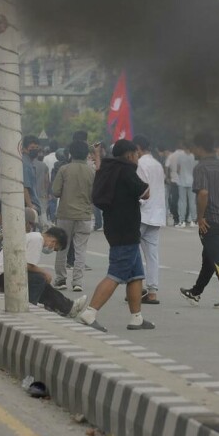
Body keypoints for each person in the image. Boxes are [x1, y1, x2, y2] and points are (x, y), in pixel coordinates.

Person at [76, 139, 155, 332]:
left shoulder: (109, 168)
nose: (137, 157)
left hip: (117, 227)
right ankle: (90, 313)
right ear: (129, 154)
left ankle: (136, 318)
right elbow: (145, 193)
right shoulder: (126, 170)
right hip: (125, 231)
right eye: (136, 154)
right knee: (116, 273)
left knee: (136, 275)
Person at [180, 131, 219, 309]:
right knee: (209, 257)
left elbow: (203, 193)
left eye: (193, 148)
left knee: (217, 257)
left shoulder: (201, 168)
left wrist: (200, 217)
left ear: (199, 147)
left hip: (210, 219)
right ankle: (195, 292)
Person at [0, 223, 84, 318]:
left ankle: (67, 307)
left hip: (2, 273)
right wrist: (45, 273)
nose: (51, 249)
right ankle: (30, 307)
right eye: (54, 248)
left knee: (40, 282)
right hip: (1, 275)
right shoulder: (37, 240)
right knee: (39, 279)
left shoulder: (34, 237)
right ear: (54, 241)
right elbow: (28, 265)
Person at [52, 140, 95, 292]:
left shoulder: (64, 169)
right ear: (86, 155)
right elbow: (95, 195)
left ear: (70, 153)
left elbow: (56, 191)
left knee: (62, 247)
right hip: (84, 215)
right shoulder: (92, 171)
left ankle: (61, 279)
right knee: (81, 250)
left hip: (65, 214)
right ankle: (77, 282)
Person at [135, 135, 166, 305]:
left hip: (142, 213)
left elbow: (141, 189)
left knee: (134, 252)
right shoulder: (157, 164)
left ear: (138, 149)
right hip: (157, 213)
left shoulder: (140, 164)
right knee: (152, 254)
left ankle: (137, 289)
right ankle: (152, 292)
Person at [174, 142, 196, 227]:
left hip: (182, 181)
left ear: (184, 147)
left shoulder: (180, 156)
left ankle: (182, 221)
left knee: (182, 201)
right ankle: (193, 220)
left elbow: (178, 169)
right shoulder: (193, 156)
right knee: (192, 202)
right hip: (192, 181)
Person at [22, 135, 42, 214]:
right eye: (32, 148)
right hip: (30, 205)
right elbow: (25, 187)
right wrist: (30, 205)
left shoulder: (30, 162)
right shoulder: (25, 164)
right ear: (24, 149)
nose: (35, 150)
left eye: (37, 148)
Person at [164, 143, 180, 226]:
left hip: (174, 181)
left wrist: (167, 178)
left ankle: (176, 218)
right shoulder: (186, 155)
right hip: (184, 181)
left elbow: (166, 167)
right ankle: (185, 218)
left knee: (173, 200)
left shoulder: (171, 156)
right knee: (183, 200)